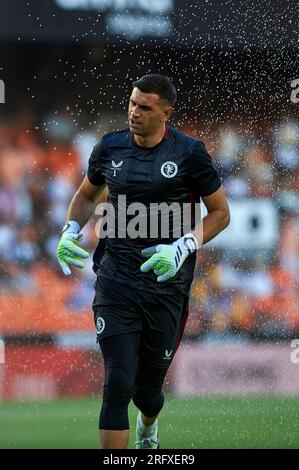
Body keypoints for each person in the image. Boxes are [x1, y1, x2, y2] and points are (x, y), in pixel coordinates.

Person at [56, 73, 230, 449]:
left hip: (167, 288)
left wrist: (182, 247)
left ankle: (148, 427)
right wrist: (70, 228)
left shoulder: (189, 153)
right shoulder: (110, 147)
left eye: (145, 107)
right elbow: (87, 195)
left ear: (165, 113)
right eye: (132, 103)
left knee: (147, 393)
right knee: (117, 382)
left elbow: (220, 214)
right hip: (115, 281)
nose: (134, 112)